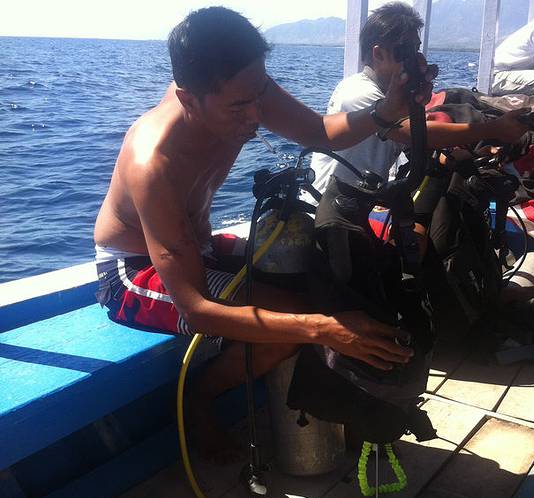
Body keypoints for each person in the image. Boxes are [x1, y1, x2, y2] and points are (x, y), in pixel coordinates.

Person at [93, 7, 435, 457]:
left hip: (200, 247)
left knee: (335, 258)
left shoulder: (238, 88)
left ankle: (350, 402)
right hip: (135, 272)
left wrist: (388, 108)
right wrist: (323, 328)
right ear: (188, 100)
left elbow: (319, 131)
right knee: (292, 323)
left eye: (260, 95)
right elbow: (196, 309)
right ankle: (199, 400)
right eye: (240, 106)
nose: (256, 114)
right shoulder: (153, 164)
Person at [309, 1, 528, 202]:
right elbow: (417, 134)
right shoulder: (358, 93)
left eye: (416, 49)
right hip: (329, 209)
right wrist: (494, 129)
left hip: (361, 199)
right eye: (406, 51)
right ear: (379, 54)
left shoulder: (391, 96)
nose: (416, 58)